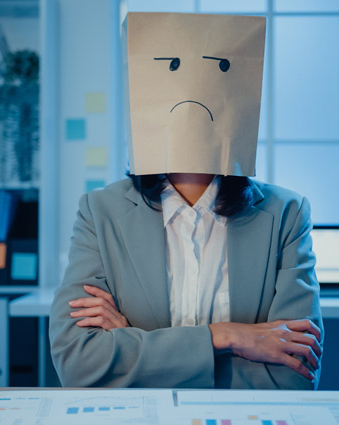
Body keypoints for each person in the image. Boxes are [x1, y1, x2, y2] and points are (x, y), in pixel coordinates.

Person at [48, 12, 323, 389]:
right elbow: (78, 364)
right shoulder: (101, 213)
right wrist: (229, 337)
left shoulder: (286, 216)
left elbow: (294, 373)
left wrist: (134, 345)